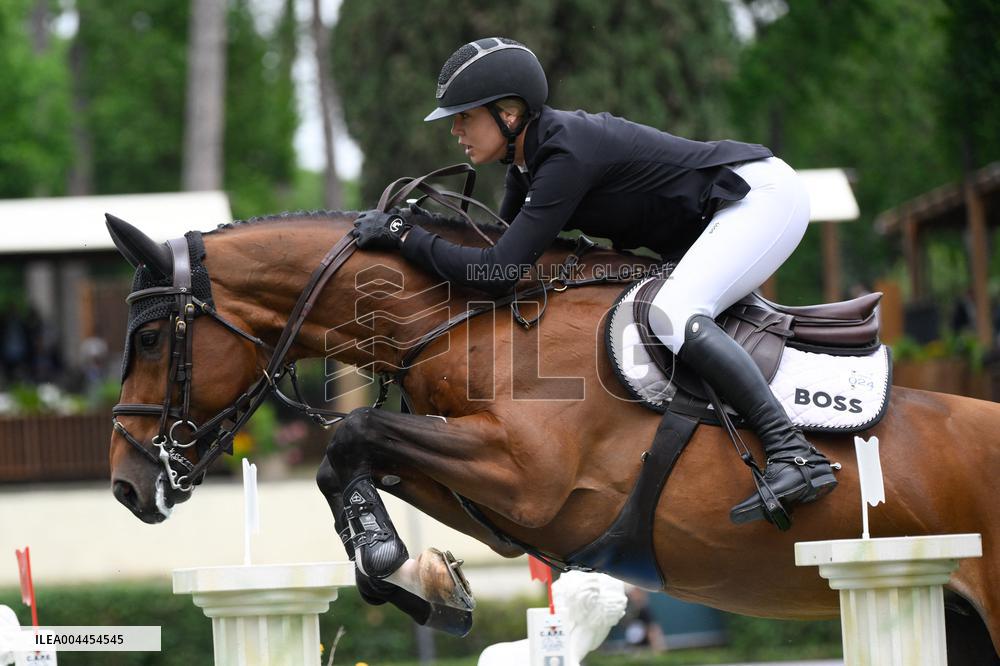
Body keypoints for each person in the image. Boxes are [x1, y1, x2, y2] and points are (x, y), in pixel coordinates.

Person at [351, 37, 837, 527]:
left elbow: (498, 272)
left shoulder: (566, 152)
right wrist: (414, 237)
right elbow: (493, 262)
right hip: (720, 216)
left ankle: (794, 453)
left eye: (465, 116)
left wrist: (404, 235)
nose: (455, 130)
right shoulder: (527, 167)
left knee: (673, 314)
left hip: (758, 199)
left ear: (509, 114)